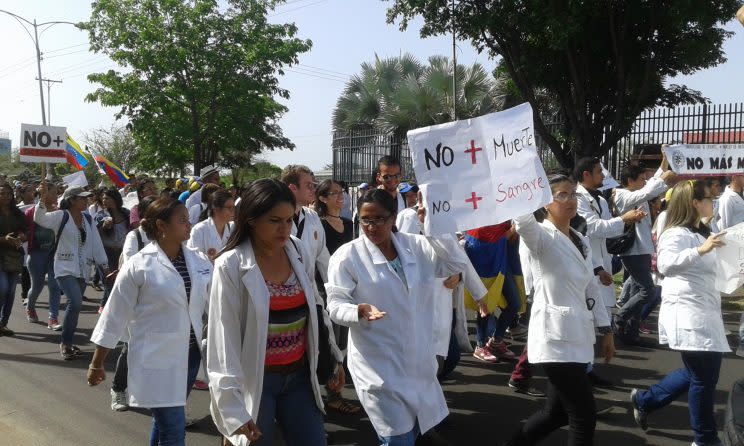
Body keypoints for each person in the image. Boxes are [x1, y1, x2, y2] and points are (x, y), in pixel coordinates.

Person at [207, 179, 344, 446]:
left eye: (288, 220)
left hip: (299, 378)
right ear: (251, 220)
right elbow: (223, 340)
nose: (284, 229)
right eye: (274, 221)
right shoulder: (231, 265)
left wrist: (334, 356)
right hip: (257, 382)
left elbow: (316, 308)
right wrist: (232, 410)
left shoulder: (297, 250)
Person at [325, 188, 468, 446]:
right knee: (398, 439)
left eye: (379, 219)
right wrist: (358, 311)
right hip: (378, 367)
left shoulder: (417, 245)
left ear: (393, 218)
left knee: (413, 432)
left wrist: (432, 227)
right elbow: (335, 305)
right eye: (365, 220)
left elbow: (455, 265)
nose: (371, 226)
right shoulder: (348, 256)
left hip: (417, 362)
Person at [87, 197, 212, 446]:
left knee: (165, 422)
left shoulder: (198, 260)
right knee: (174, 429)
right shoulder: (139, 265)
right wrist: (97, 363)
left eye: (189, 219)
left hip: (189, 356)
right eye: (183, 220)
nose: (189, 224)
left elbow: (214, 303)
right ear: (161, 225)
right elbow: (114, 315)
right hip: (156, 357)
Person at [504, 174, 614, 446]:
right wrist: (516, 174)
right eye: (561, 195)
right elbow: (522, 220)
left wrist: (606, 329)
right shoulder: (540, 236)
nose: (570, 200)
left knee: (554, 414)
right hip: (554, 338)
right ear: (545, 203)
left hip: (577, 335)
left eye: (573, 194)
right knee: (583, 416)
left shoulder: (580, 238)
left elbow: (591, 287)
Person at [629, 180, 729, 446]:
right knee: (704, 379)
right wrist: (700, 250)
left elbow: (714, 270)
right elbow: (665, 264)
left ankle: (644, 400)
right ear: (695, 203)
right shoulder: (676, 233)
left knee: (695, 373)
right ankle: (705, 439)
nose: (713, 203)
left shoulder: (704, 232)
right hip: (688, 314)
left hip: (706, 310)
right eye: (709, 198)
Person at [574, 157, 645, 385]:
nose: (603, 176)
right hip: (587, 265)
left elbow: (607, 231)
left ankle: (586, 370)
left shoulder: (601, 200)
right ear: (586, 174)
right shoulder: (577, 199)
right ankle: (525, 372)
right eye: (599, 172)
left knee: (592, 322)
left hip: (600, 263)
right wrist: (623, 220)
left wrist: (628, 222)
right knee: (584, 322)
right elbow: (591, 229)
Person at [34, 184, 109, 359]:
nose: (86, 200)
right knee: (74, 302)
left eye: (86, 198)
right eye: (82, 198)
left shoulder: (88, 218)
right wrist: (43, 202)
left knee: (75, 308)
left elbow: (96, 244)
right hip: (64, 268)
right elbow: (40, 219)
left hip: (83, 269)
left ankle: (67, 342)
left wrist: (104, 266)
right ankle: (65, 344)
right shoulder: (61, 216)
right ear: (71, 199)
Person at [613, 163, 675, 345]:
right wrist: (662, 180)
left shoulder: (638, 191)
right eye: (641, 179)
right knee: (648, 290)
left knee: (637, 290)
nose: (645, 182)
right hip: (634, 251)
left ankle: (630, 333)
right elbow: (647, 192)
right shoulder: (623, 195)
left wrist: (664, 162)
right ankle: (620, 317)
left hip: (643, 249)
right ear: (630, 181)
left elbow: (650, 185)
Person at [314, 179, 361, 415]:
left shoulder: (349, 223)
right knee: (331, 342)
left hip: (349, 289)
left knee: (343, 343)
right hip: (326, 290)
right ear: (322, 198)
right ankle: (333, 395)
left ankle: (336, 388)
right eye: (334, 193)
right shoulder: (318, 225)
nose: (341, 197)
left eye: (341, 193)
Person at [109, 195, 157, 412]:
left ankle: (159, 398)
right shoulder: (134, 236)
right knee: (132, 347)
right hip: (137, 300)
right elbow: (130, 266)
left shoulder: (168, 237)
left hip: (160, 302)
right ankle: (118, 388)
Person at [280, 165, 330, 281]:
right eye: (309, 186)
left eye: (313, 185)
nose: (313, 190)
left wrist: (334, 292)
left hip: (309, 291)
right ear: (292, 188)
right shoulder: (273, 218)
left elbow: (323, 257)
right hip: (282, 291)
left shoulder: (313, 216)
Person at [24, 183, 62, 329]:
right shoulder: (30, 212)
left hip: (54, 255)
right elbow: (24, 230)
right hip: (36, 255)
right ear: (43, 194)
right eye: (52, 193)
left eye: (56, 193)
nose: (55, 196)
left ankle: (53, 318)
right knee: (37, 287)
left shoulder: (59, 212)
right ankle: (30, 306)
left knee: (54, 286)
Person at [96, 188, 132, 312]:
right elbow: (94, 236)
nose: (104, 200)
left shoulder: (126, 213)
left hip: (123, 253)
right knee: (110, 280)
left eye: (107, 198)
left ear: (115, 199)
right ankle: (108, 308)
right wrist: (103, 227)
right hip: (107, 253)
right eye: (103, 198)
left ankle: (105, 304)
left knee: (122, 280)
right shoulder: (101, 215)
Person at [0, 183, 27, 336]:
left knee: (10, 291)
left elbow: (25, 230)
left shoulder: (17, 213)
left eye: (8, 194)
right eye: (2, 193)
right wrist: (5, 239)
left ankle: (3, 324)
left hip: (13, 256)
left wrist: (22, 236)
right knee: (2, 288)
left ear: (12, 196)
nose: (5, 196)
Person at [188, 189, 235, 261]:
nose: (233, 211)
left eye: (233, 207)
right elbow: (193, 260)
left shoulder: (233, 228)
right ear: (216, 209)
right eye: (229, 208)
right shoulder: (199, 230)